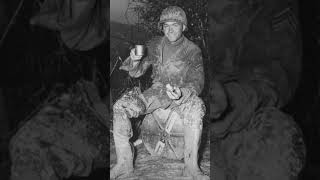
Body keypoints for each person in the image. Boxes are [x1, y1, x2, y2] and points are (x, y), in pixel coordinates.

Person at [110, 6, 209, 180]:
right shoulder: (155, 44)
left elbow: (198, 80)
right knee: (120, 107)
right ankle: (124, 164)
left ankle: (191, 167)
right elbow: (137, 72)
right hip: (156, 93)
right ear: (162, 27)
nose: (170, 29)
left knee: (197, 108)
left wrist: (183, 93)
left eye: (175, 25)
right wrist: (134, 61)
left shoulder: (193, 51)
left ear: (184, 27)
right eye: (166, 25)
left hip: (181, 95)